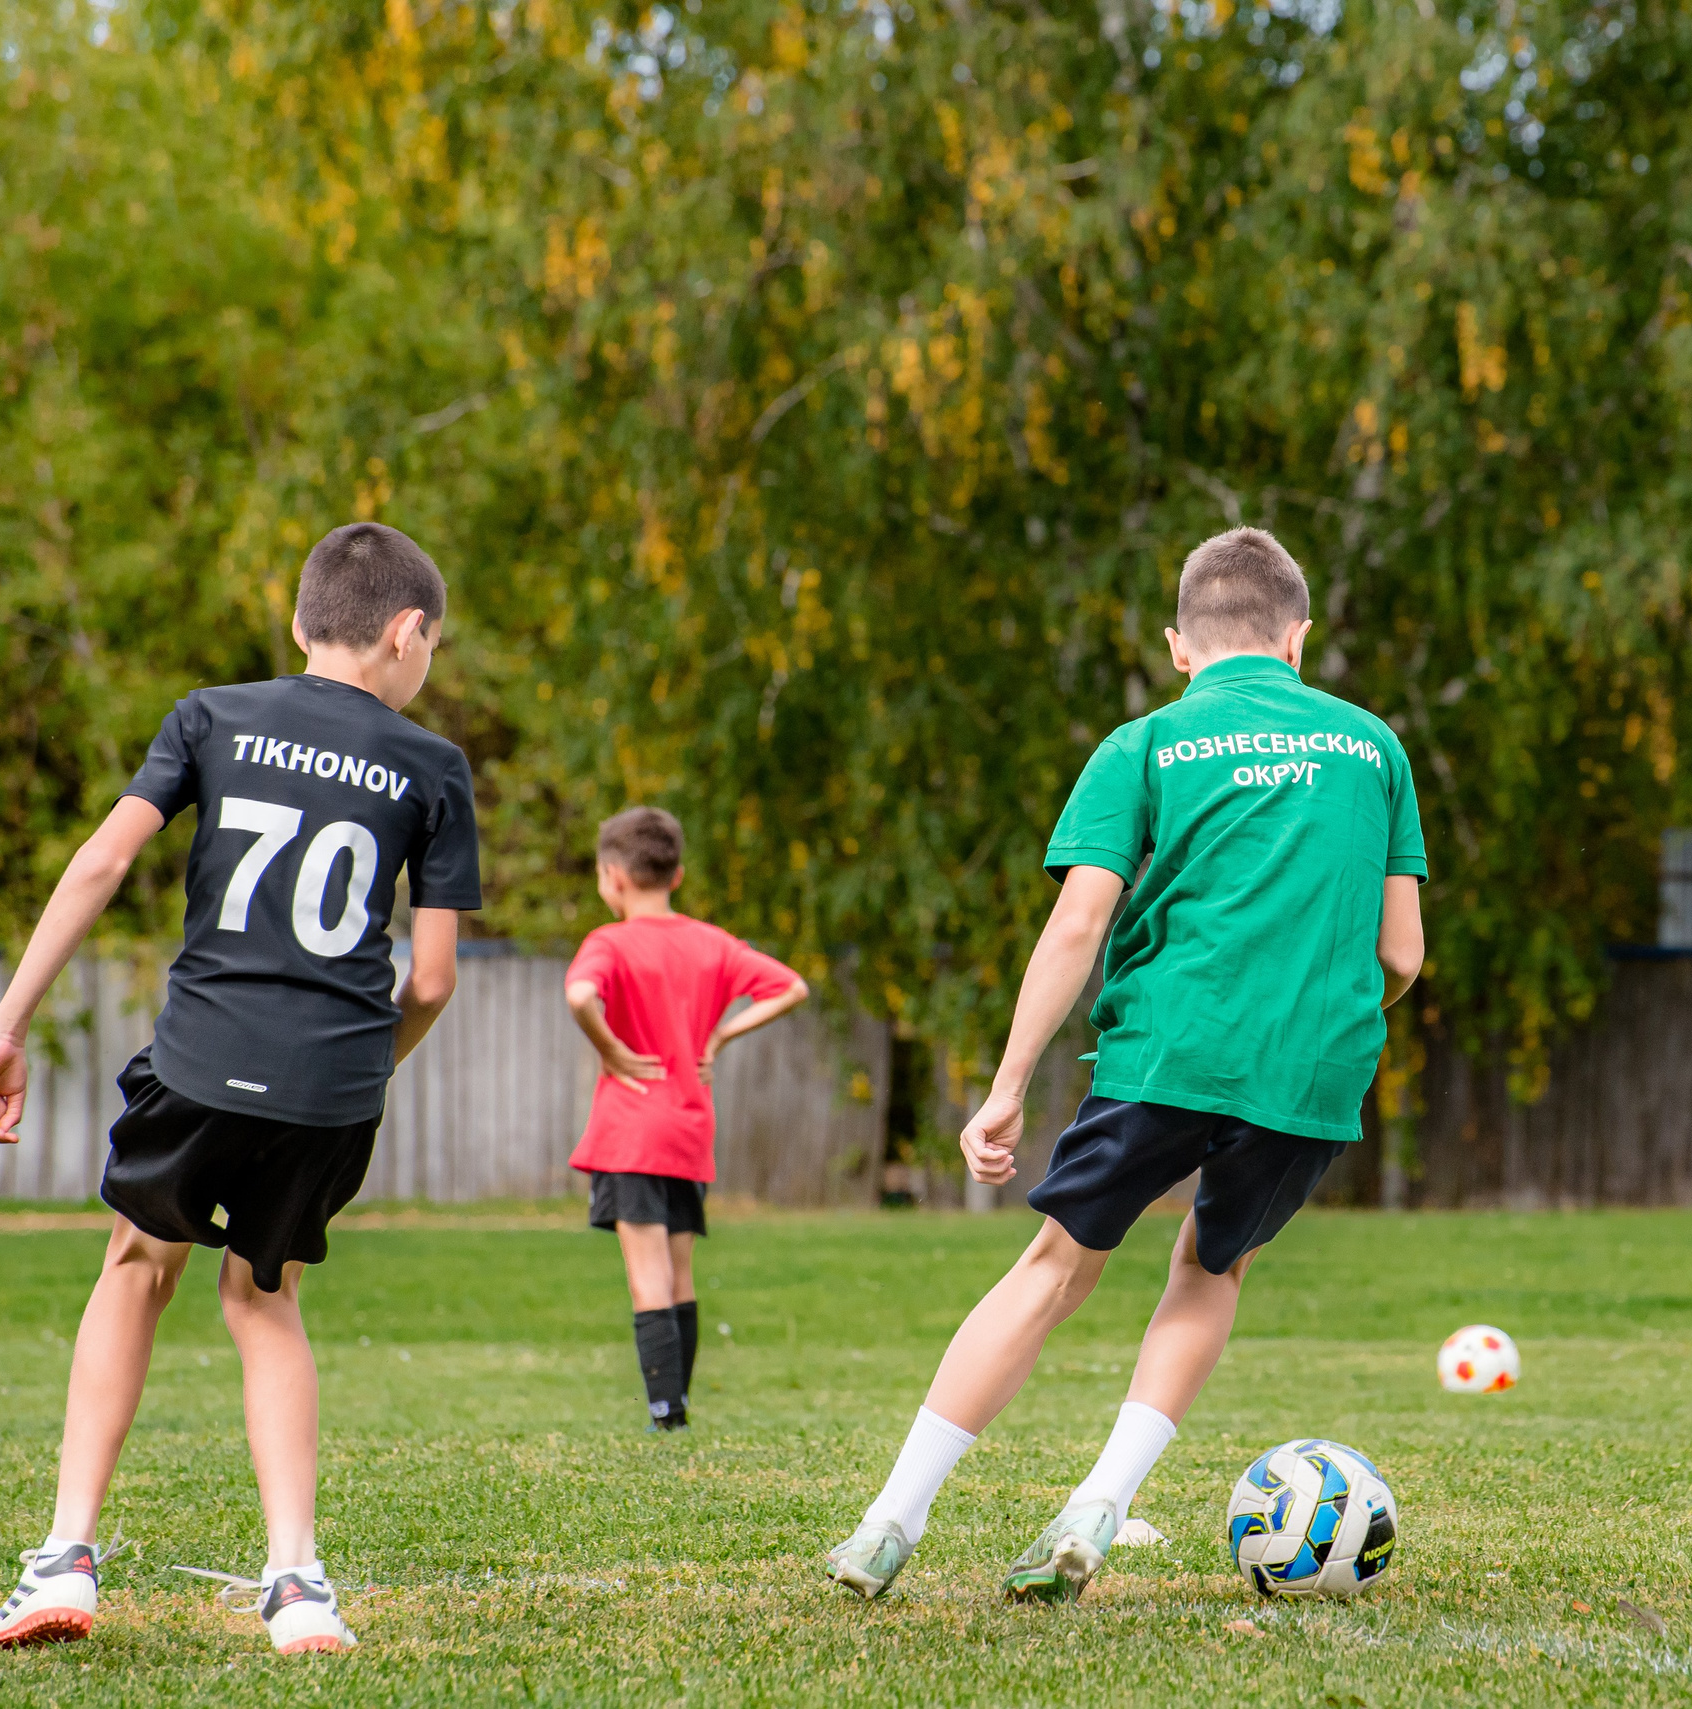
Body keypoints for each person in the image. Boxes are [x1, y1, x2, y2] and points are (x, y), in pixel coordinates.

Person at [822, 526, 1427, 1603]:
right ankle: (1101, 1499)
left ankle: (889, 1520)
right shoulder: (1373, 745)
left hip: (1165, 1049)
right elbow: (1400, 953)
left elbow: (1076, 926)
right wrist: (1323, 1015)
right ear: (1298, 637)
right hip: (1312, 1071)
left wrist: (1007, 1086)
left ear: (1179, 645)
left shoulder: (1145, 743)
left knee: (1054, 1265)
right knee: (1208, 1266)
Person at [0, 522, 481, 1655]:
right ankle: (297, 1583)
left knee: (137, 1264)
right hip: (330, 1087)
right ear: (408, 634)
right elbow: (431, 978)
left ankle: (63, 1559)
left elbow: (100, 861)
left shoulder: (211, 714)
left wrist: (6, 1025)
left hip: (200, 1058)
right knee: (264, 1295)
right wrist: (358, 1070)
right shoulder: (432, 767)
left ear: (300, 622)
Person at [562, 805, 809, 1431]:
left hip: (632, 1132)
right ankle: (677, 1406)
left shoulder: (608, 942)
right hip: (689, 1128)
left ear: (612, 875)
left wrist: (611, 1049)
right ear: (674, 875)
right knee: (677, 1274)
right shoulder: (712, 943)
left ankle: (666, 1416)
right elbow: (791, 987)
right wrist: (721, 1037)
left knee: (647, 1279)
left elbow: (580, 995)